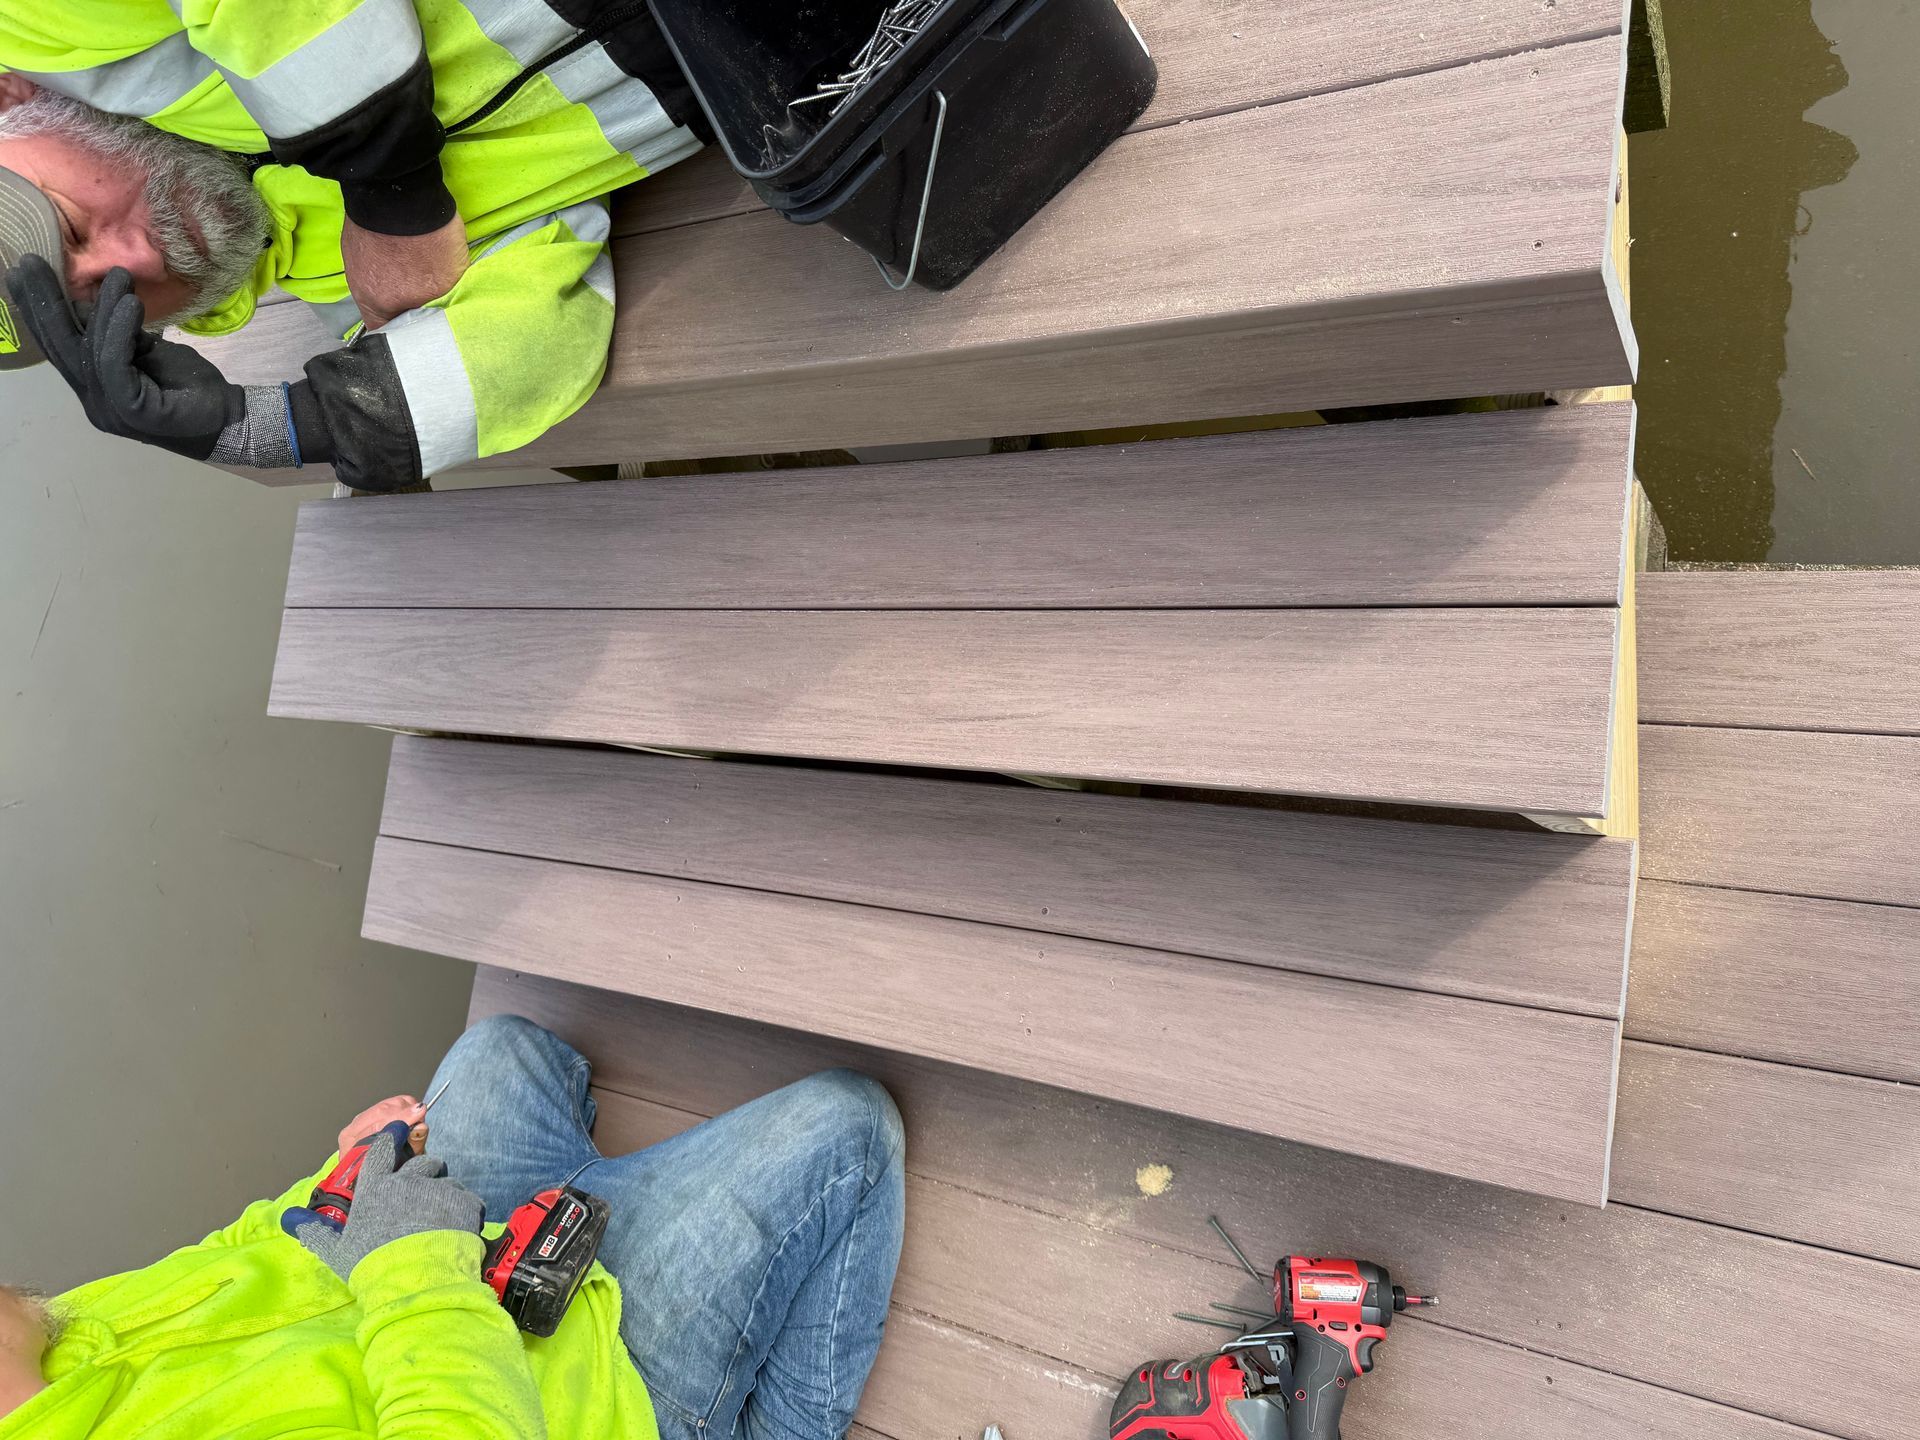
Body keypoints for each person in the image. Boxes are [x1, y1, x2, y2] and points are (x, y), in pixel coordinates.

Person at [0, 1013, 907, 1440]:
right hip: (584, 1387)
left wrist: (335, 1180)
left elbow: (228, 1258)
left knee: (503, 1047)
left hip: (441, 1255)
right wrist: (413, 1266)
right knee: (844, 1127)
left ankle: (588, 1185)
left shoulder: (51, 1330)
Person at [0, 2, 714, 491]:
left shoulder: (48, 19)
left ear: (10, 101)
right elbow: (548, 341)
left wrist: (393, 196)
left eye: (70, 227)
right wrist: (270, 426)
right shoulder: (341, 283)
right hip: (775, 62)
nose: (143, 260)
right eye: (105, 301)